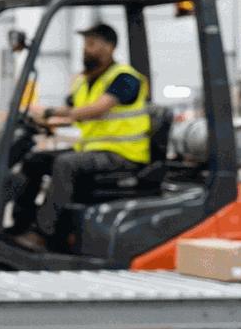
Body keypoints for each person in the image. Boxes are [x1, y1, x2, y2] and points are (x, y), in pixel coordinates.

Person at [8, 22, 150, 253]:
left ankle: (44, 234)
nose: (86, 49)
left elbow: (95, 110)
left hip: (123, 154)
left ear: (110, 47)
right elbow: (69, 112)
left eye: (92, 44)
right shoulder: (86, 81)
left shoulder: (125, 78)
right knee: (36, 160)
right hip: (94, 150)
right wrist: (38, 121)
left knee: (65, 164)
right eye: (85, 43)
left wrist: (51, 113)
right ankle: (20, 224)